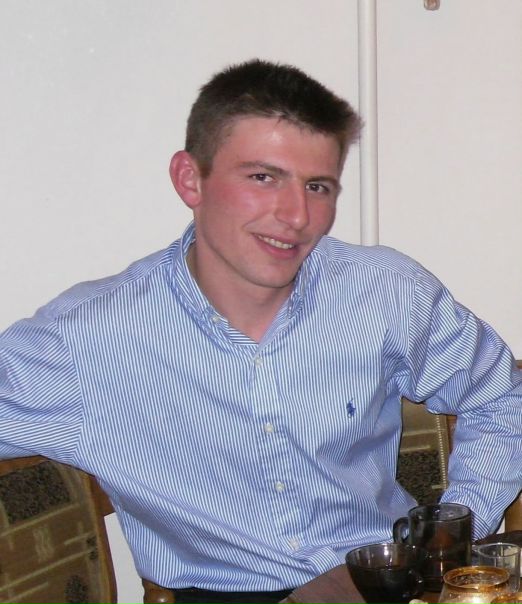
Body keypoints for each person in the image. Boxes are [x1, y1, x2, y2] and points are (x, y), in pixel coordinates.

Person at [0, 59, 521, 604]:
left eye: (317, 186)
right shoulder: (86, 337)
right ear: (189, 179)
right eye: (263, 177)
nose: (296, 215)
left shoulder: (386, 292)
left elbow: (501, 398)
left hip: (379, 585)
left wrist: (446, 539)